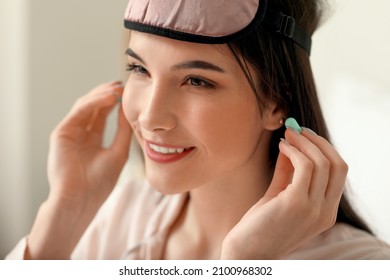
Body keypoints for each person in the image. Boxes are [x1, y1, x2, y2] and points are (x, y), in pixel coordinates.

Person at [6, 0, 390, 259]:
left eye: (196, 81)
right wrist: (66, 212)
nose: (151, 117)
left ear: (278, 101)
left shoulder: (363, 263)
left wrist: (246, 265)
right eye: (139, 69)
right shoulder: (122, 214)